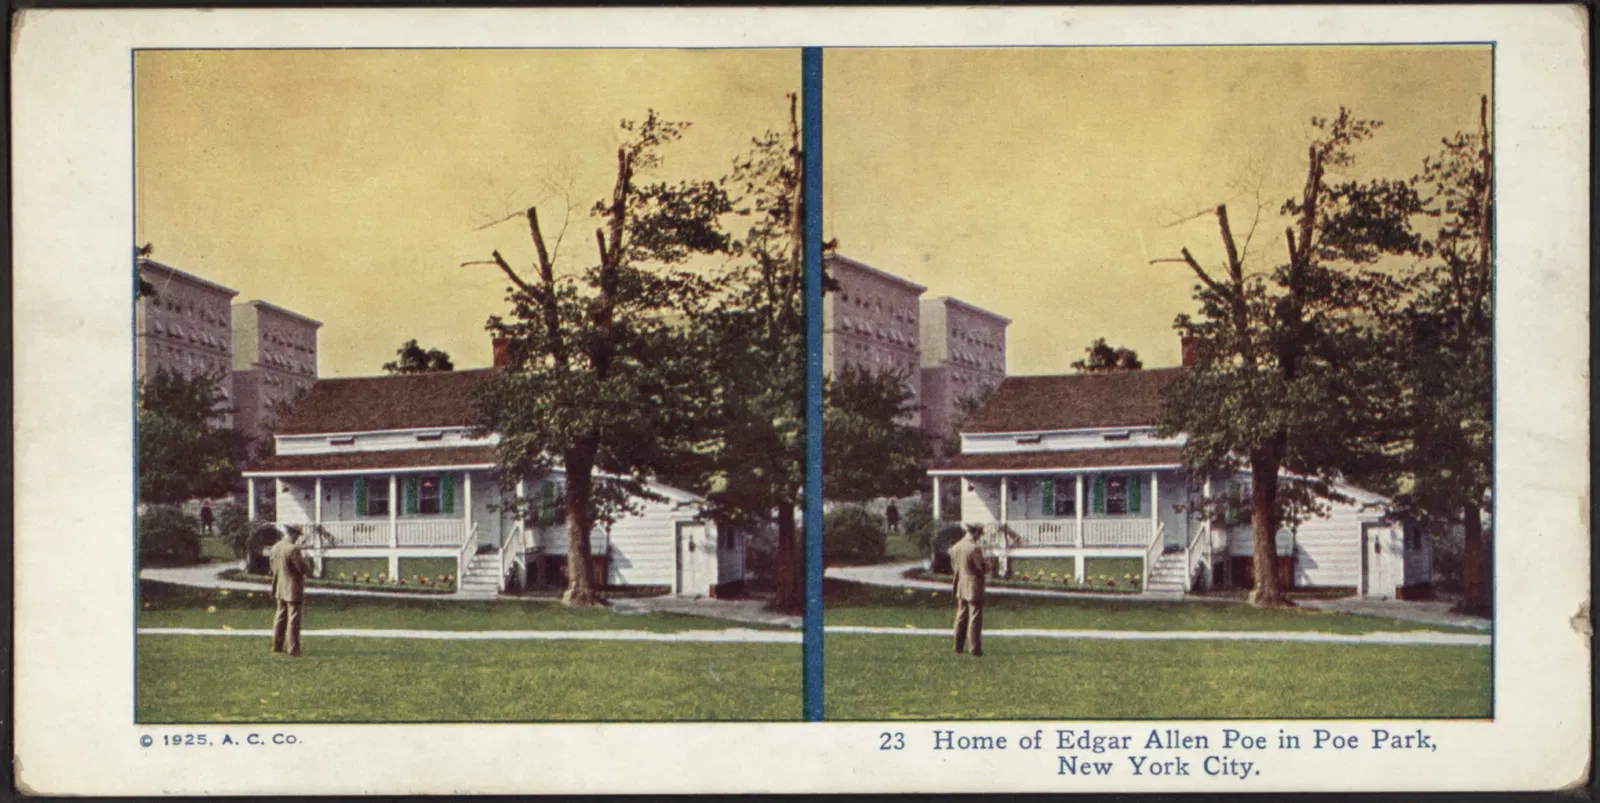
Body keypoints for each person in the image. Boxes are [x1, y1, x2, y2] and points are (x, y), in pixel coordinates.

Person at [269, 528, 310, 657]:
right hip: (292, 587)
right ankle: (293, 649)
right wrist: (308, 564)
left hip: (280, 586)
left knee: (280, 617)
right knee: (293, 619)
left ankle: (277, 647)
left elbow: (272, 566)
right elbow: (301, 568)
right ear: (293, 534)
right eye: (297, 535)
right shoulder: (294, 549)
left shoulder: (276, 547)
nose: (298, 538)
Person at [948, 524, 988, 657]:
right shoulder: (974, 548)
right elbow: (981, 568)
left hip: (960, 584)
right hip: (973, 585)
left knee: (961, 616)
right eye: (979, 534)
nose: (979, 537)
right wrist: (989, 566)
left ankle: (957, 646)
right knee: (975, 617)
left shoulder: (955, 547)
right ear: (975, 532)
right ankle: (975, 648)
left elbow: (954, 567)